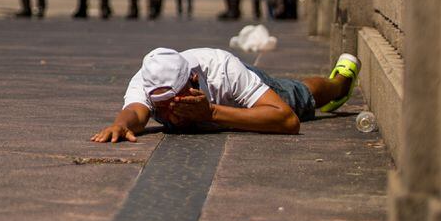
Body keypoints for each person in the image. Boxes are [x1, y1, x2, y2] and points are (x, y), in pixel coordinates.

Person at [91, 47, 362, 143]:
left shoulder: (222, 69)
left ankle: (339, 83)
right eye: (161, 108)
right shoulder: (148, 81)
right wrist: (120, 125)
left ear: (193, 81)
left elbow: (288, 121)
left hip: (238, 92)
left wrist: (212, 113)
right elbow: (135, 113)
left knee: (298, 95)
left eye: (177, 102)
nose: (170, 114)